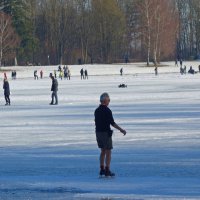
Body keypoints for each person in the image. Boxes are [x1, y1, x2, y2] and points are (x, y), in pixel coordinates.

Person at [94, 93, 126, 177]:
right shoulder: (107, 110)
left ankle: (102, 169)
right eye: (109, 100)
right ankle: (107, 170)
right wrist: (121, 130)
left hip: (98, 132)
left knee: (102, 151)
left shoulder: (96, 110)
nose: (109, 102)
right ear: (105, 101)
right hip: (105, 133)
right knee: (108, 152)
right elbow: (112, 123)